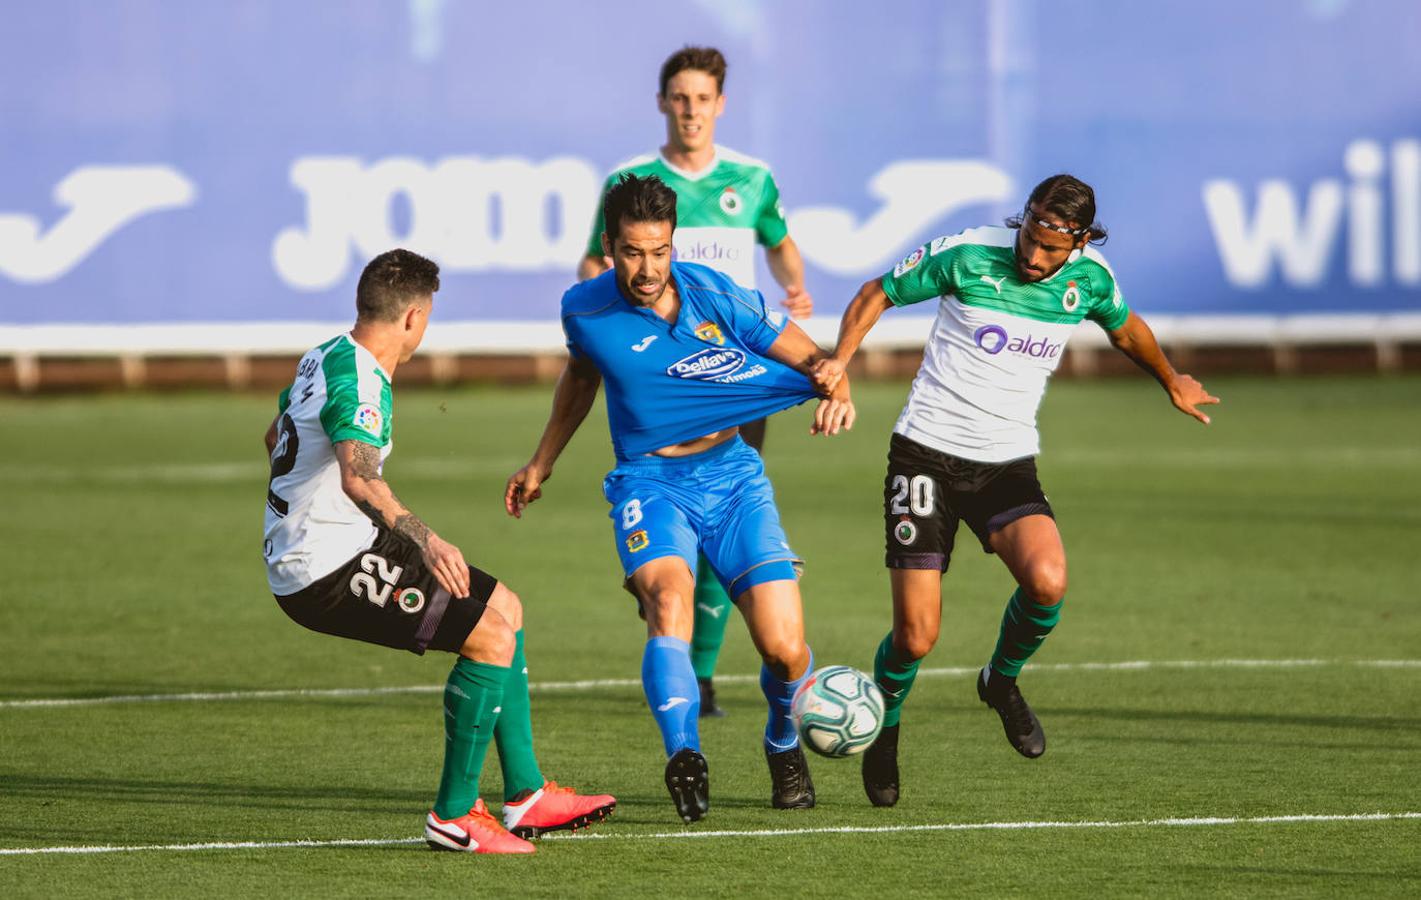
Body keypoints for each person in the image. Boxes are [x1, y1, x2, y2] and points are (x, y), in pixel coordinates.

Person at [809, 174, 1219, 807]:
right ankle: (886, 726)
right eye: (1028, 238)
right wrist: (840, 371)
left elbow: (1126, 327)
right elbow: (874, 294)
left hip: (1005, 463)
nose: (1032, 257)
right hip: (925, 457)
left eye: (1050, 250)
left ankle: (1000, 681)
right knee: (916, 637)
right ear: (1022, 222)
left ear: (1079, 243)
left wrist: (1170, 379)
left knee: (1048, 580)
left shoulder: (1091, 281)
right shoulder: (969, 254)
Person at [508, 173, 854, 823]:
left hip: (732, 479)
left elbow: (807, 357)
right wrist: (541, 460)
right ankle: (683, 754)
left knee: (783, 648)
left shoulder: (715, 292)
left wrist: (832, 382)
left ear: (673, 243)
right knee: (669, 599)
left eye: (659, 251)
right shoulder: (583, 308)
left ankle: (782, 738)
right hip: (648, 483)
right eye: (632, 251)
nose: (647, 267)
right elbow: (581, 375)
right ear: (608, 245)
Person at [262, 249, 615, 854]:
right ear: (413, 318)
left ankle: (526, 794)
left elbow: (275, 437)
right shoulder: (362, 379)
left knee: (505, 606)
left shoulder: (323, 355)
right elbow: (358, 476)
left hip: (339, 543)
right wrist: (424, 538)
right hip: (322, 568)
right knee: (490, 639)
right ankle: (454, 817)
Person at [578, 46, 814, 718]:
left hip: (732, 372)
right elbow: (596, 260)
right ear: (661, 102)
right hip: (658, 377)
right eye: (678, 97)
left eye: (701, 98)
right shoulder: (630, 181)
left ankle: (701, 667)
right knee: (677, 501)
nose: (690, 110)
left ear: (720, 104)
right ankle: (690, 651)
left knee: (724, 499)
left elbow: (778, 238)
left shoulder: (752, 179)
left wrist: (794, 286)